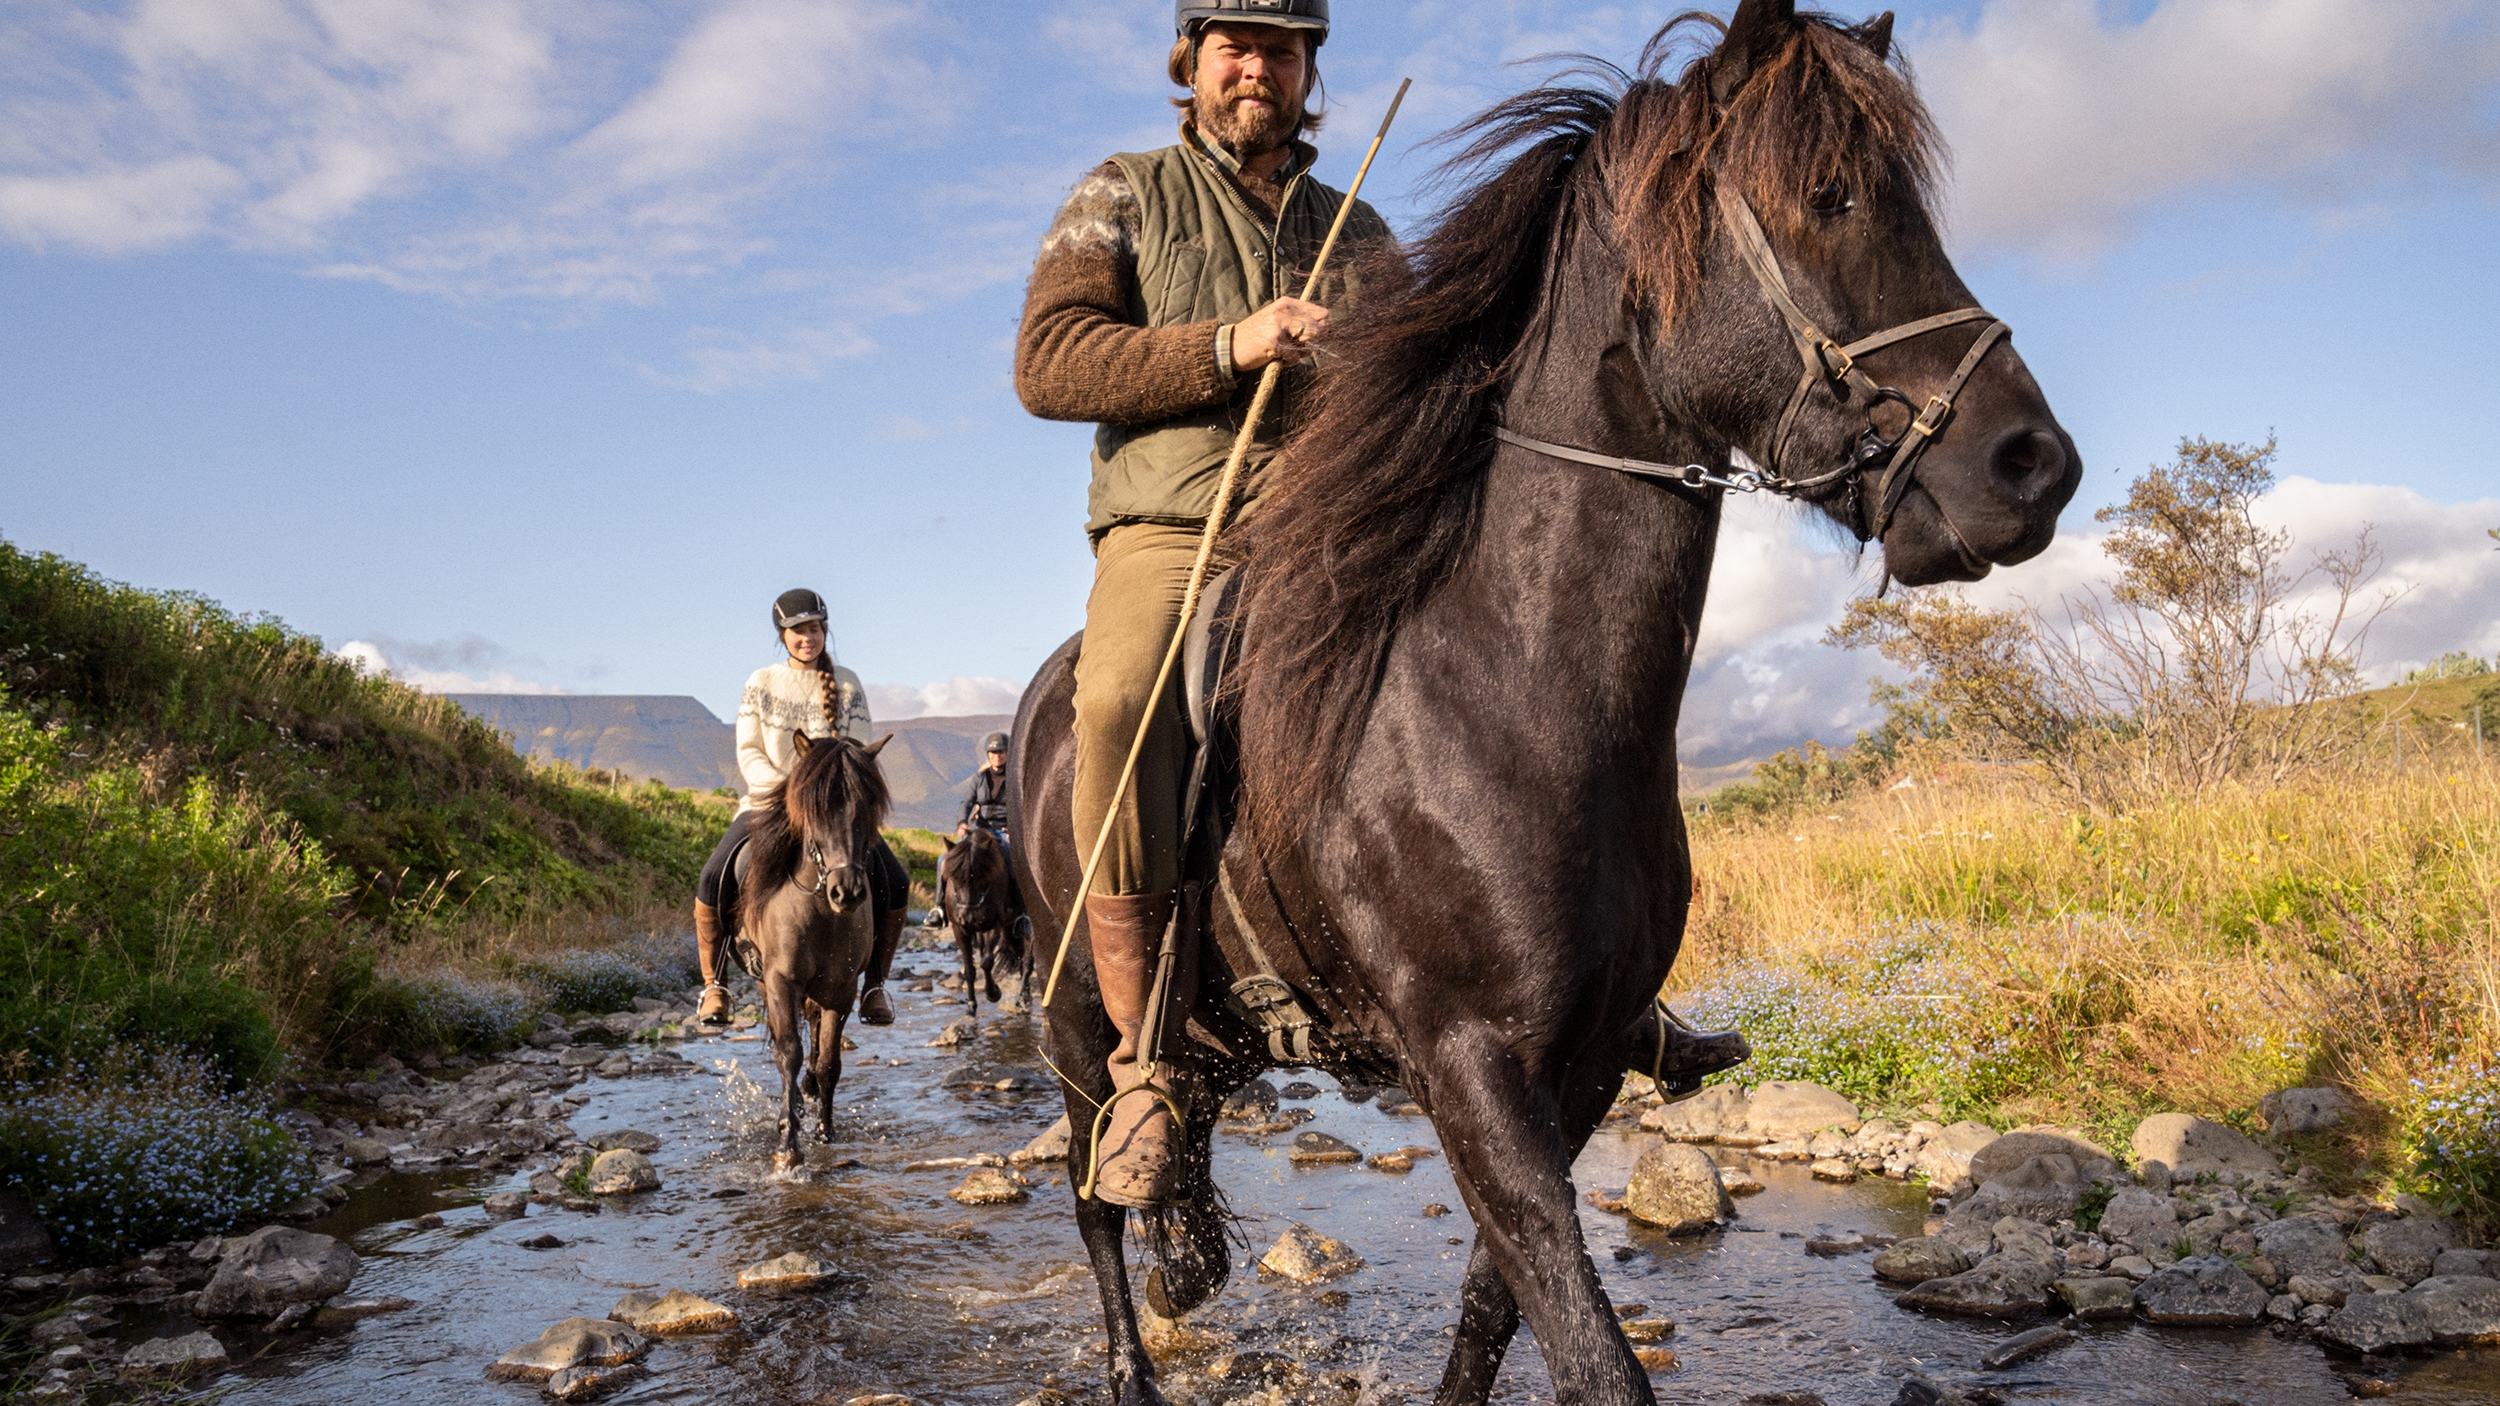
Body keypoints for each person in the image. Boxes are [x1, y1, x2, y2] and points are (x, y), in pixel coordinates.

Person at [1015, 0, 1388, 1208]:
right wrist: (1230, 344)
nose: (1255, 68)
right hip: (1175, 526)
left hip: (1331, 529)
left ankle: (1583, 978)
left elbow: (1435, 382)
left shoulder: (1360, 229)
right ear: (1191, 61)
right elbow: (1050, 361)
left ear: (1306, 69)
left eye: (1279, 49)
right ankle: (1139, 1062)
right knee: (1119, 698)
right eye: (1232, 46)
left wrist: (1367, 364)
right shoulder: (1120, 192)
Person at [693, 589, 908, 1028]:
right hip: (769, 803)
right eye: (797, 631)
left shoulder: (847, 683)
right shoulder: (761, 682)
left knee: (896, 881)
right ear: (782, 635)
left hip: (832, 810)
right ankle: (715, 985)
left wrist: (825, 792)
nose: (807, 638)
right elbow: (749, 749)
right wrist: (788, 792)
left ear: (824, 630)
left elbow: (855, 750)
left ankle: (874, 985)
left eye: (814, 628)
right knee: (713, 876)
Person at [956, 732, 1012, 840]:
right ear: (988, 754)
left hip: (1005, 832)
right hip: (981, 830)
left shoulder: (1014, 779)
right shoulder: (979, 778)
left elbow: (1021, 807)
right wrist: (962, 822)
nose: (997, 755)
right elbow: (967, 802)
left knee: (1013, 855)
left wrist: (1014, 829)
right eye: (993, 752)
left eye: (1001, 751)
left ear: (1007, 753)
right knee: (947, 856)